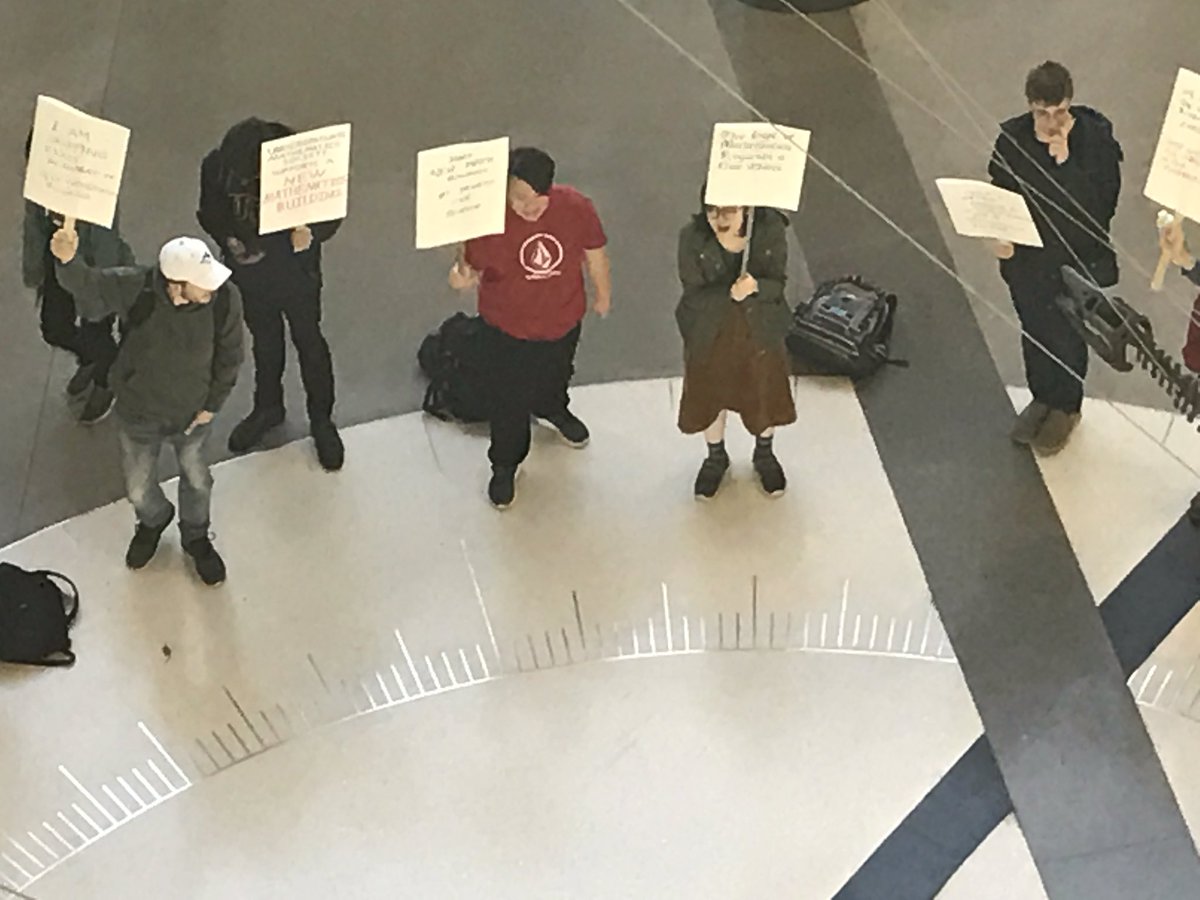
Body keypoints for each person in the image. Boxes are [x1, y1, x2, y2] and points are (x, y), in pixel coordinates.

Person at [49, 225, 243, 586]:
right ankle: (154, 519)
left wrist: (212, 405)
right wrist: (66, 260)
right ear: (175, 285)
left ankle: (196, 536)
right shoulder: (137, 288)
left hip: (193, 414)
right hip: (139, 412)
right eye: (202, 283)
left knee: (198, 480)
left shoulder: (225, 300)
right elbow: (89, 285)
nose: (211, 288)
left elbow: (230, 356)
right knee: (138, 488)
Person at [448, 147, 612, 509]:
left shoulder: (575, 207)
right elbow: (466, 276)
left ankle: (554, 407)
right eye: (519, 199)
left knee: (557, 373)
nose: (529, 207)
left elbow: (594, 250)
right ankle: (505, 463)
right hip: (508, 330)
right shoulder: (485, 222)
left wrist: (603, 292)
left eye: (538, 199)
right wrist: (459, 274)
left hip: (563, 319)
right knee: (508, 400)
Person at [988, 60, 1123, 455]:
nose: (1051, 120)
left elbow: (1100, 208)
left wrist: (1065, 162)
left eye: (1060, 111)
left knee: (1067, 334)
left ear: (1070, 104)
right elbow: (1001, 191)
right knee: (1034, 327)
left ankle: (1066, 404)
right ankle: (1042, 395)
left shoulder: (1094, 141)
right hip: (1028, 258)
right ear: (1030, 106)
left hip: (1074, 259)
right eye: (1042, 113)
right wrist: (999, 236)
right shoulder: (1013, 139)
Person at [197, 117, 345, 471]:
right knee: (266, 342)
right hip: (252, 274)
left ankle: (322, 419)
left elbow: (331, 213)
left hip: (296, 272)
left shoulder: (300, 167)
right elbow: (211, 214)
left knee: (309, 342)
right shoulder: (217, 167)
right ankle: (268, 408)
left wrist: (312, 233)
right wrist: (232, 241)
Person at [676, 193, 795, 499]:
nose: (720, 219)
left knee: (763, 392)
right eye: (712, 210)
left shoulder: (769, 231)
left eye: (728, 210)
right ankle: (716, 457)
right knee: (710, 394)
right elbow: (692, 292)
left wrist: (756, 287)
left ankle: (764, 454)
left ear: (747, 208)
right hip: (710, 331)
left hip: (758, 332)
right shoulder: (692, 238)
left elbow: (778, 284)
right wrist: (729, 294)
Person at [22, 130, 134, 424]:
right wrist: (35, 269)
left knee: (97, 330)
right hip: (56, 262)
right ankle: (94, 358)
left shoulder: (93, 196)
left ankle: (106, 375)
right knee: (54, 327)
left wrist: (98, 298)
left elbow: (105, 250)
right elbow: (33, 226)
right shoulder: (39, 189)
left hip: (93, 269)